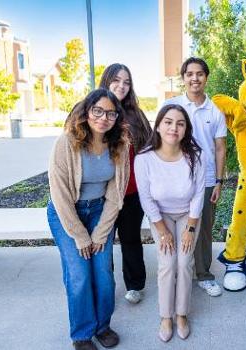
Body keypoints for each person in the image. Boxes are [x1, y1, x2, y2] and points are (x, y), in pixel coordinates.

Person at [47, 89, 129, 350]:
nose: (104, 118)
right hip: (66, 213)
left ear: (117, 117)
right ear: (87, 110)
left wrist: (99, 234)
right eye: (98, 110)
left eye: (111, 113)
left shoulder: (120, 145)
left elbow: (116, 194)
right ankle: (82, 333)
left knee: (103, 272)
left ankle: (102, 326)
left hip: (99, 212)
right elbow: (59, 194)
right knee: (79, 274)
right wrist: (81, 236)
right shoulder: (67, 142)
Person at [135, 104, 205, 342]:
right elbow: (146, 198)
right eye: (168, 122)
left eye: (180, 123)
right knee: (167, 263)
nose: (173, 127)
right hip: (160, 216)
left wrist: (190, 229)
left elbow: (198, 195)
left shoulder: (196, 156)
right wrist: (163, 231)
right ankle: (166, 317)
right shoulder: (144, 159)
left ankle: (181, 314)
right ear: (158, 125)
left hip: (188, 213)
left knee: (184, 262)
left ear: (186, 129)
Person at [163, 57, 226, 297]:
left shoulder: (215, 112)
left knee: (204, 230)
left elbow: (220, 148)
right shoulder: (172, 107)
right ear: (183, 78)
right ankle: (179, 271)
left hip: (208, 179)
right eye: (189, 74)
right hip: (178, 178)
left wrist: (219, 181)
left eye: (199, 74)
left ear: (206, 77)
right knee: (177, 225)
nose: (195, 78)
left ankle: (204, 274)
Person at [99, 63, 152, 304]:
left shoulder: (136, 115)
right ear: (106, 81)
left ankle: (134, 285)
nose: (122, 86)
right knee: (104, 241)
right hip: (103, 193)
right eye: (116, 80)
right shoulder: (95, 110)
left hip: (133, 192)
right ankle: (104, 285)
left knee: (130, 239)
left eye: (127, 82)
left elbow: (152, 149)